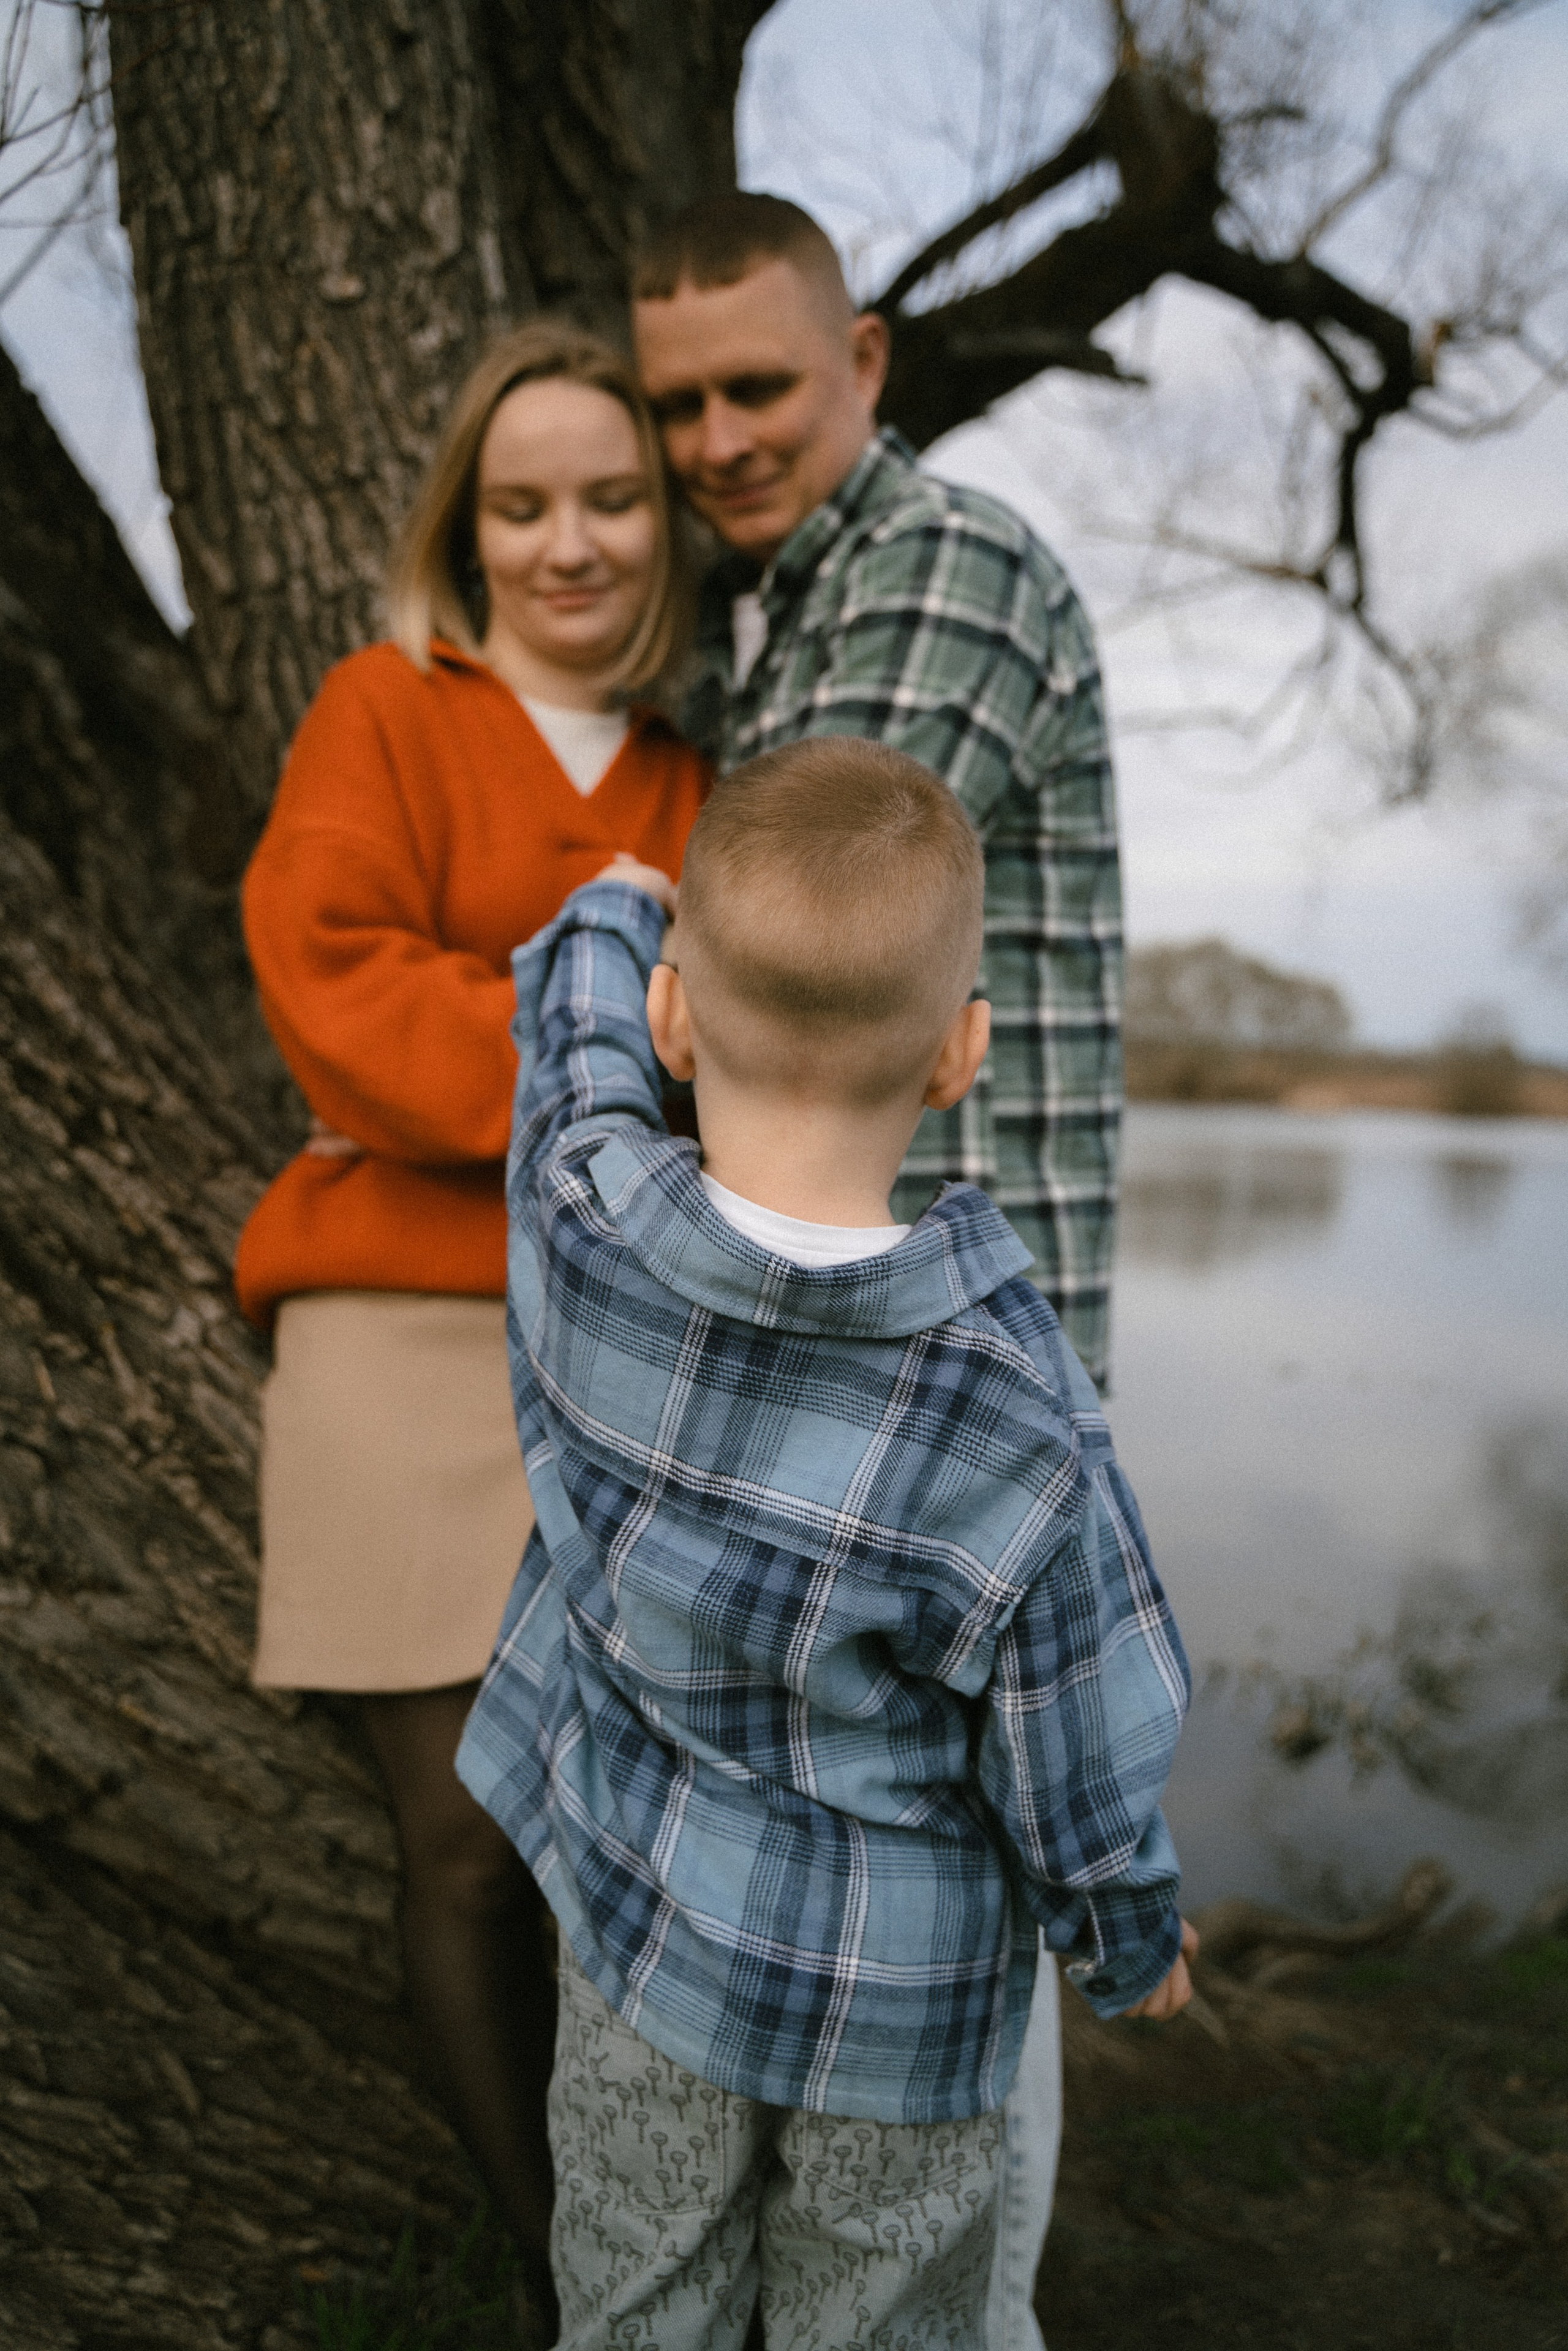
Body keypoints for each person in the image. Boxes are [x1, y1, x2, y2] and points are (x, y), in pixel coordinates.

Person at [457, 739, 1193, 2351]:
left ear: (675, 1020)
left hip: (646, 1938)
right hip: (900, 2010)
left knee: (640, 2297)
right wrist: (1132, 1941)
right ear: (960, 1055)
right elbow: (1079, 1743)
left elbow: (570, 1049)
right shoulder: (1016, 1408)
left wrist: (609, 905)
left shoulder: (580, 1218)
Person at [233, 318, 709, 2325]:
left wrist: (532, 1022)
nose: (568, 543)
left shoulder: (706, 781)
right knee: (459, 1838)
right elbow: (333, 986)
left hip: (634, 1351)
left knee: (640, 1836)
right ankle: (561, 2271)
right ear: (469, 527)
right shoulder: (385, 708)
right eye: (522, 505)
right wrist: (629, 1049)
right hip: (400, 1327)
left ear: (666, 530)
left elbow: (762, 1049)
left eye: (610, 499)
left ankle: (688, 2225)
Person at [631, 191, 1122, 1394]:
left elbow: (793, 931)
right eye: (677, 407)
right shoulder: (745, 610)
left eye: (756, 389)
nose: (717, 441)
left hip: (951, 1350)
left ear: (862, 359)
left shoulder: (949, 558)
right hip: (814, 1319)